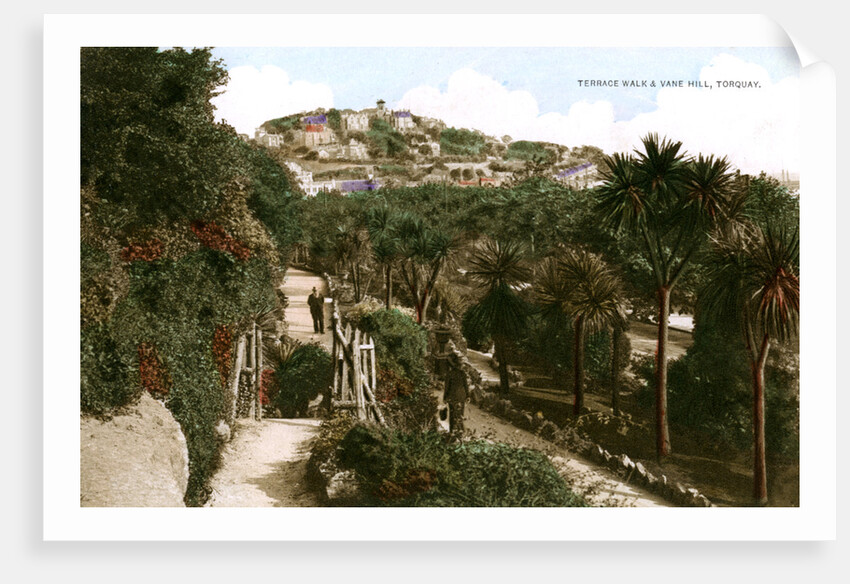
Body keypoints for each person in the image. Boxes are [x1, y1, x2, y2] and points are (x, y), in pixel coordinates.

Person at [444, 352, 468, 434]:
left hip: (452, 396)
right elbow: (466, 386)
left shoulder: (449, 374)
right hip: (461, 396)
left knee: (452, 414)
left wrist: (445, 398)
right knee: (460, 413)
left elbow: (446, 387)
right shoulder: (462, 373)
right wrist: (468, 396)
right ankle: (460, 432)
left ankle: (452, 432)